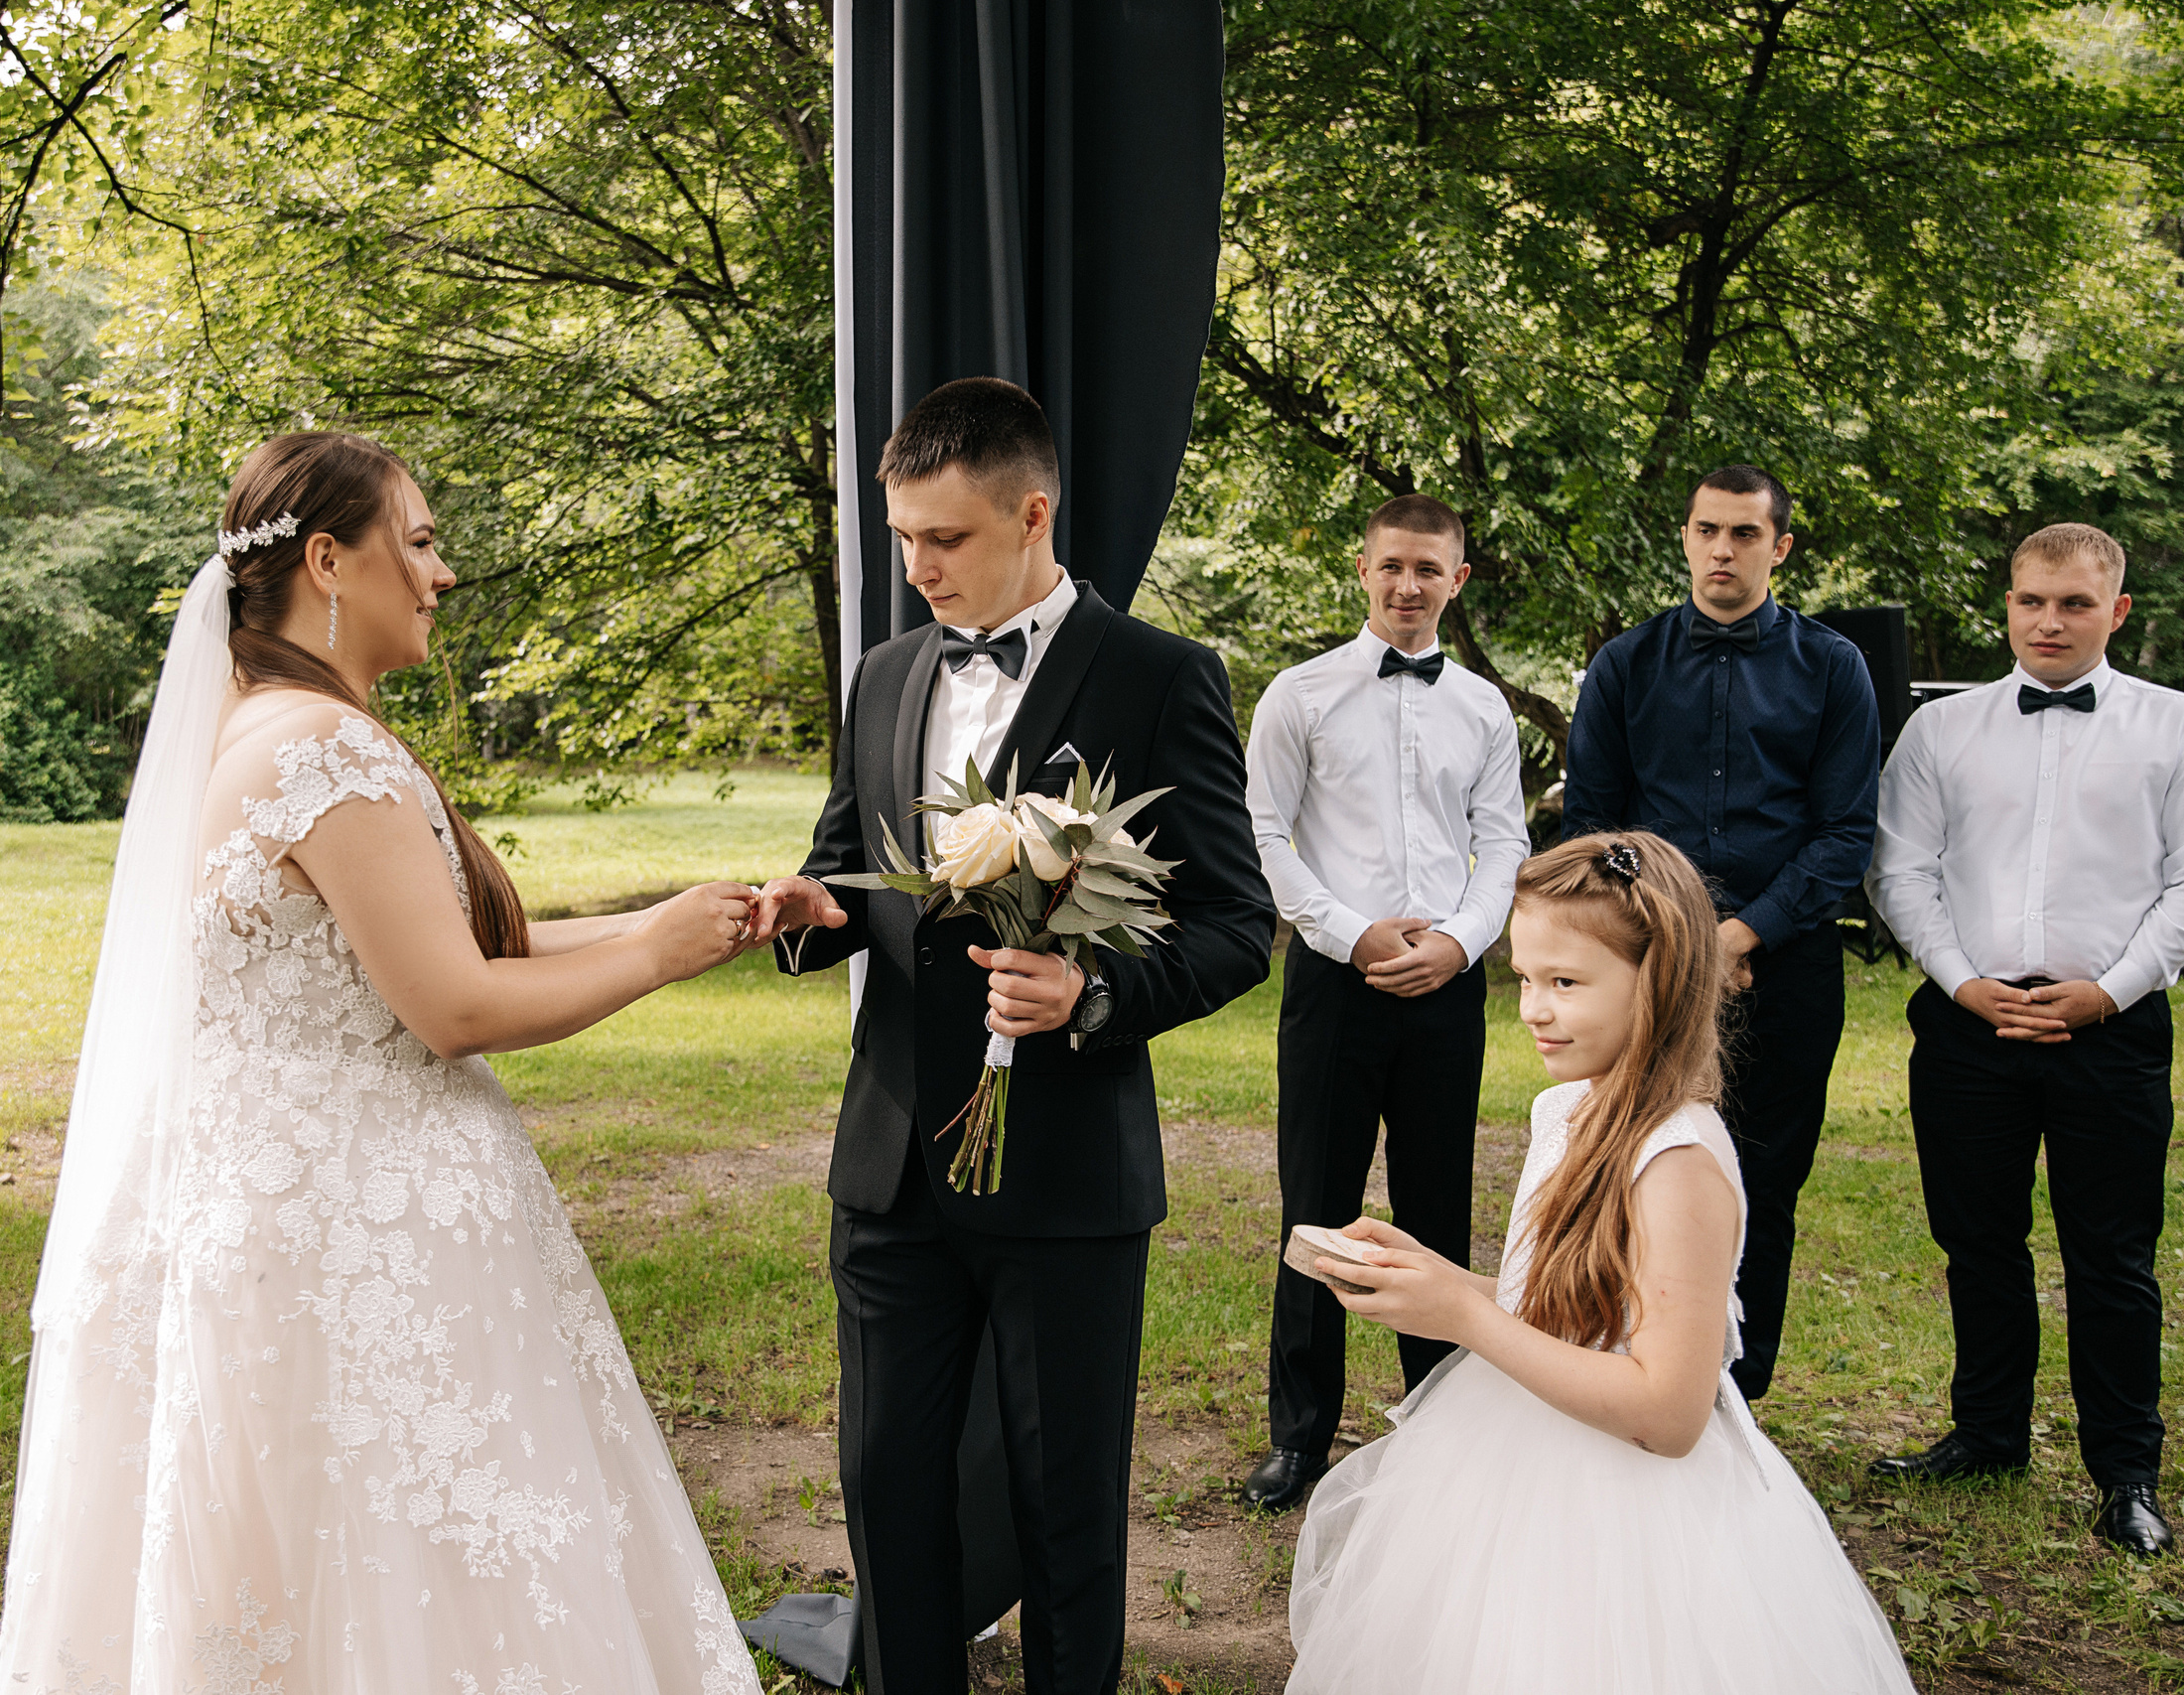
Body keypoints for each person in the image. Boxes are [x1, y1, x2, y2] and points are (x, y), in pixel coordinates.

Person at [0, 433, 765, 1695]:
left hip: (276, 1206)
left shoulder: (263, 727)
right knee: (405, 1556)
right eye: (418, 541)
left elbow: (444, 941)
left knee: (310, 1566)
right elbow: (452, 1002)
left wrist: (666, 918)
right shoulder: (328, 754)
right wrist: (656, 961)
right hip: (360, 1227)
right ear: (326, 559)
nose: (442, 574)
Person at [751, 377, 1276, 1695]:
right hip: (889, 1171)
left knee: (1066, 1503)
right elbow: (844, 869)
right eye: (904, 538)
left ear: (1032, 513)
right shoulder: (882, 675)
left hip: (1067, 1175)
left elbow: (1235, 921)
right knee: (888, 1487)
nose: (919, 566)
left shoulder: (1161, 678)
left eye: (948, 538)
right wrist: (810, 913)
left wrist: (1091, 994)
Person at [1284, 831, 1913, 1692]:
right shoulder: (1574, 1107)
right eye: (1526, 979)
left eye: (1566, 983)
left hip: (1631, 1516)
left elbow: (1669, 1408)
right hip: (1520, 1456)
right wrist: (1434, 1279)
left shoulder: (1677, 1158)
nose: (1533, 1009)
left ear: (1658, 983)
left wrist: (1466, 1318)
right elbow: (1571, 1308)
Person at [1863, 522, 2183, 1557]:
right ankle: (1990, 1432)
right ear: (2006, 603)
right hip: (1968, 1031)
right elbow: (1899, 870)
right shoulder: (1941, 732)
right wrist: (1962, 984)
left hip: (2112, 1031)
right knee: (1979, 1241)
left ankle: (2126, 1472)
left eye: (2074, 604)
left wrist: (2113, 989)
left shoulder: (2172, 728)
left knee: (2112, 1255)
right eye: (2030, 600)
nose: (2048, 620)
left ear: (2116, 611)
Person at [1561, 465, 1879, 1403]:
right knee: (1627, 1167)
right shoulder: (1627, 662)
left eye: (1744, 534)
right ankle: (1632, 1371)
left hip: (1784, 965)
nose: (1722, 551)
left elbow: (1845, 833)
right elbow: (1594, 824)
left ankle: (1736, 1397)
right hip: (1647, 965)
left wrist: (1742, 936)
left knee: (1763, 1184)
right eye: (1707, 531)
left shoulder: (1833, 667)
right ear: (1687, 538)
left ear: (1779, 547)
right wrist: (1677, 942)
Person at [1237, 493, 1527, 1512]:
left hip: (1444, 985)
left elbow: (1507, 843)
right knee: (1315, 1202)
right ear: (1362, 571)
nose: (1408, 585)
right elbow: (1264, 835)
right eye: (1390, 566)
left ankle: (1439, 1423)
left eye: (1428, 569)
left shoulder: (1484, 709)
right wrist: (1347, 931)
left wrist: (1456, 942)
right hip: (1336, 978)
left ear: (1458, 579)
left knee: (1436, 1204)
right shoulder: (1300, 696)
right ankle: (1300, 1437)